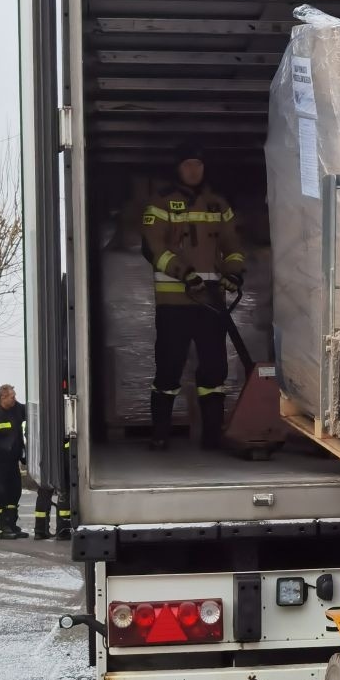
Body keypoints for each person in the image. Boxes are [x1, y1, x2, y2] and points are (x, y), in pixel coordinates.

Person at [141, 144, 246, 450]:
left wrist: (233, 273)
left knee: (214, 371)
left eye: (198, 164)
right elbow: (152, 247)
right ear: (177, 168)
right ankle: (160, 435)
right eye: (187, 164)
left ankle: (212, 436)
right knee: (168, 368)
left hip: (211, 304)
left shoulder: (218, 204)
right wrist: (183, 272)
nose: (193, 170)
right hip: (174, 304)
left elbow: (233, 245)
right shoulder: (161, 203)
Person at [0, 384, 29, 539]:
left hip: (13, 462)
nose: (15, 399)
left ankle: (12, 525)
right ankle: (3, 528)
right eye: (12, 397)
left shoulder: (17, 409)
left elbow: (32, 411)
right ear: (3, 398)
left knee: (15, 492)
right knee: (0, 493)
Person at [33, 439, 71, 540]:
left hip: (45, 454)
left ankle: (40, 530)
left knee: (44, 491)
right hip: (65, 454)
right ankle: (63, 531)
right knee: (65, 492)